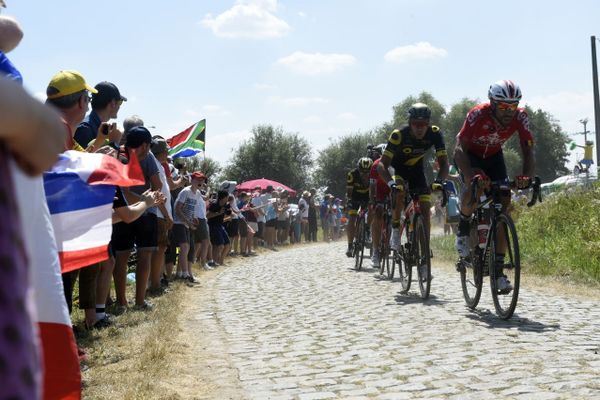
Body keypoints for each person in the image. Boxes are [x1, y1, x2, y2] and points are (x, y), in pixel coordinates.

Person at [453, 80, 534, 293]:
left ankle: (498, 273)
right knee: (475, 187)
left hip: (494, 156)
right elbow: (459, 148)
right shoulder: (477, 114)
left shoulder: (521, 117)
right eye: (503, 106)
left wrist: (526, 177)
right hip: (470, 156)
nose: (509, 111)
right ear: (492, 102)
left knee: (503, 203)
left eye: (513, 106)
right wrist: (470, 175)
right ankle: (463, 227)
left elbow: (527, 150)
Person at [377, 103, 449, 263]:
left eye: (423, 124)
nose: (419, 128)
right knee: (400, 191)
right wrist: (391, 184)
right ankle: (395, 229)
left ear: (428, 124)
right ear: (410, 123)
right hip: (398, 169)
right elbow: (382, 165)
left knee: (424, 210)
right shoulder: (399, 135)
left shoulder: (435, 134)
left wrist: (439, 181)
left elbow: (444, 164)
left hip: (417, 171)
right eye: (416, 124)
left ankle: (424, 252)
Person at [111, 126, 163, 309]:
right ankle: (137, 301)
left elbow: (155, 186)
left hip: (124, 212)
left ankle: (122, 301)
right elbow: (157, 185)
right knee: (142, 256)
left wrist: (149, 200)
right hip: (136, 211)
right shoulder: (126, 158)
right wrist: (147, 201)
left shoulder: (119, 154)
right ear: (145, 145)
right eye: (148, 146)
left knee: (122, 256)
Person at [74, 81, 126, 150]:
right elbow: (83, 159)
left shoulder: (90, 127)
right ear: (113, 103)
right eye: (120, 102)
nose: (119, 106)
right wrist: (114, 143)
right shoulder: (85, 129)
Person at [346, 157, 373, 257]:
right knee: (352, 218)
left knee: (372, 209)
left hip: (367, 196)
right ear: (358, 169)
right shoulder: (352, 175)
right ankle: (349, 245)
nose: (365, 175)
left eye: (367, 172)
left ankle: (367, 229)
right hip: (354, 196)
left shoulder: (373, 175)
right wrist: (349, 201)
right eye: (362, 172)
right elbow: (349, 192)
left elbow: (374, 191)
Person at [368, 144, 389, 268]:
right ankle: (375, 250)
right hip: (379, 191)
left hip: (393, 190)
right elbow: (372, 186)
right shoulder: (375, 165)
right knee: (378, 214)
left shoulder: (397, 164)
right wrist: (372, 201)